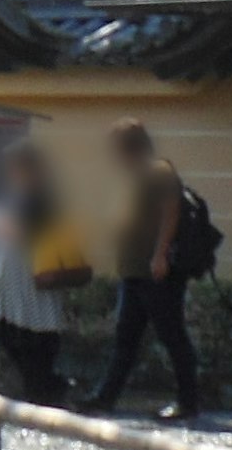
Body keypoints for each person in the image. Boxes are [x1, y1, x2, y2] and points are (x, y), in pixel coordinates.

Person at [85, 119, 210, 421]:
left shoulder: (159, 172)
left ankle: (188, 401)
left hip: (155, 273)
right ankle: (105, 398)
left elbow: (171, 213)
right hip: (135, 272)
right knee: (125, 338)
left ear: (130, 146)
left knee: (172, 335)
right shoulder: (136, 176)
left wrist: (160, 254)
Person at [0, 137, 82, 403]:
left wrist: (8, 228)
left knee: (32, 328)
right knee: (15, 327)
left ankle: (48, 386)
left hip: (37, 265)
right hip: (22, 266)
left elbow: (37, 231)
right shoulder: (27, 196)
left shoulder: (41, 196)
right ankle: (43, 385)